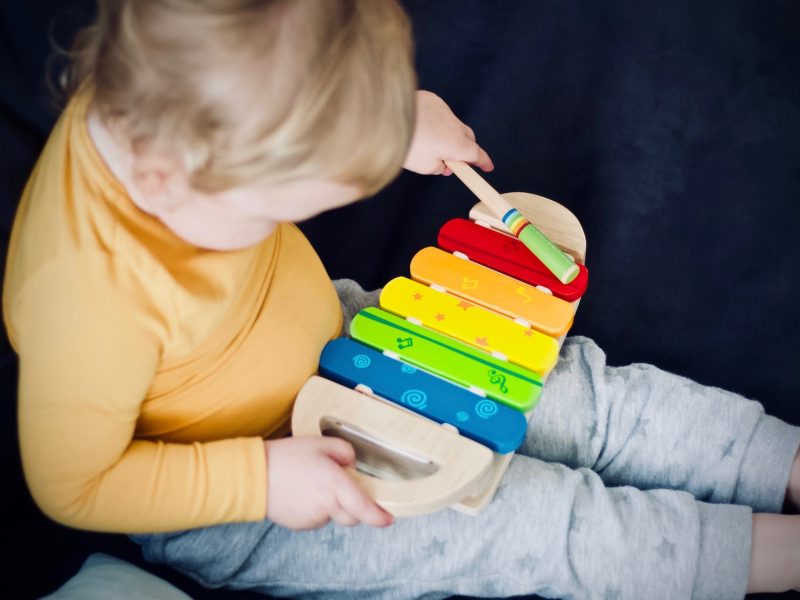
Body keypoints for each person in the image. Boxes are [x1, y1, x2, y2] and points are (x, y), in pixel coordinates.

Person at [4, 1, 799, 598]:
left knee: (586, 397)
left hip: (347, 338)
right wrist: (262, 479)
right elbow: (73, 487)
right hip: (253, 482)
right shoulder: (86, 301)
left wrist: (385, 121)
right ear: (166, 180)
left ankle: (783, 462)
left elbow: (294, 58)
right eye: (280, 209)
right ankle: (777, 556)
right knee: (541, 526)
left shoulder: (191, 78)